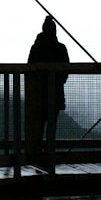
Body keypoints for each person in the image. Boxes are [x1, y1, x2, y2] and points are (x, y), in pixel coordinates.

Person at [25, 16, 69, 166]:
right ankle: (50, 151)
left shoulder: (36, 47)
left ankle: (36, 152)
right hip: (55, 92)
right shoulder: (60, 48)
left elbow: (29, 67)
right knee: (52, 124)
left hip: (38, 92)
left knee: (38, 124)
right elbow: (65, 70)